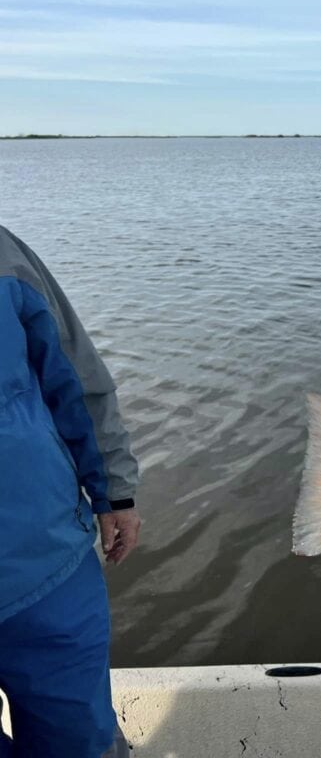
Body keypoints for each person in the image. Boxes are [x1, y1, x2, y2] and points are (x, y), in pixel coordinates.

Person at [0, 225, 141, 758]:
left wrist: (116, 492)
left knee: (83, 740)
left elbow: (74, 375)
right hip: (49, 555)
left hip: (49, 564)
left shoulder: (3, 252)